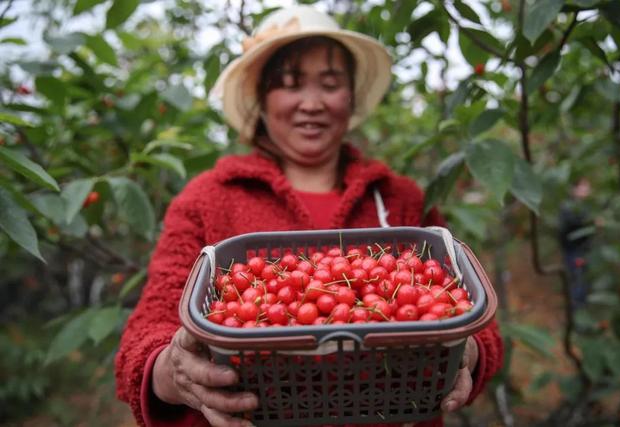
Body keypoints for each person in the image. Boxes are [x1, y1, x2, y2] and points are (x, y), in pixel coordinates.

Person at [115, 5, 503, 427]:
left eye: (330, 83)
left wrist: (469, 352)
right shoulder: (208, 198)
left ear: (350, 97)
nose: (312, 103)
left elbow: (472, 317)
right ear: (261, 100)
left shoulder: (400, 198)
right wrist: (175, 373)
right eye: (289, 84)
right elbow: (143, 338)